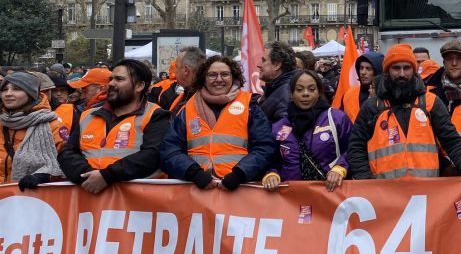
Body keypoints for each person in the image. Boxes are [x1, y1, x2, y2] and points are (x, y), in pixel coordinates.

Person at [346, 44, 461, 179]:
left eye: (406, 68)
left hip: (427, 193)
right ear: (387, 71)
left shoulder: (430, 103)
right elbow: (356, 148)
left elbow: (452, 142)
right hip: (385, 195)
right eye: (396, 68)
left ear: (414, 71)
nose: (402, 74)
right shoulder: (372, 107)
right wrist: (367, 182)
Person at [161, 56, 275, 190]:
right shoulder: (187, 108)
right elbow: (169, 150)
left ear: (234, 77)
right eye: (212, 75)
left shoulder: (250, 106)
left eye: (225, 74)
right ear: (204, 78)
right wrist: (194, 173)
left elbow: (264, 148)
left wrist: (239, 174)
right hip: (197, 190)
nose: (219, 79)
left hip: (239, 189)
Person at [58, 60, 170, 193]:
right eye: (111, 79)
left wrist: (106, 176)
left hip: (136, 204)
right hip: (90, 200)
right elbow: (67, 153)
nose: (111, 83)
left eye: (119, 79)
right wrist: (88, 176)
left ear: (139, 86)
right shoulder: (88, 115)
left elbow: (152, 156)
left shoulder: (155, 115)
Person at [262, 70, 353, 192]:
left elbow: (353, 149)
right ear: (291, 93)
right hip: (291, 199)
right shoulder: (279, 127)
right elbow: (270, 159)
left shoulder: (336, 119)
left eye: (311, 89)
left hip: (330, 197)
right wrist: (271, 174)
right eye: (299, 90)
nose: (305, 94)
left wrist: (340, 168)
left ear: (319, 92)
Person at [1, 72, 66, 190]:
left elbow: (65, 166)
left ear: (31, 94)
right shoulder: (1, 124)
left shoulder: (53, 125)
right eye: (4, 89)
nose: (8, 94)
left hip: (29, 199)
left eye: (17, 89)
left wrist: (44, 176)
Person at [425, 40, 461, 135]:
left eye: (459, 58)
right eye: (449, 59)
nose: (454, 63)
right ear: (444, 62)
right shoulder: (427, 91)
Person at [259, 41, 298, 123]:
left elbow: (284, 130)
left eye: (264, 61)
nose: (259, 65)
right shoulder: (276, 87)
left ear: (277, 65)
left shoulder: (286, 93)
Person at [338, 52, 384, 122]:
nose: (363, 72)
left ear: (378, 71)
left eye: (368, 69)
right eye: (361, 68)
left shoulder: (387, 96)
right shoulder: (349, 93)